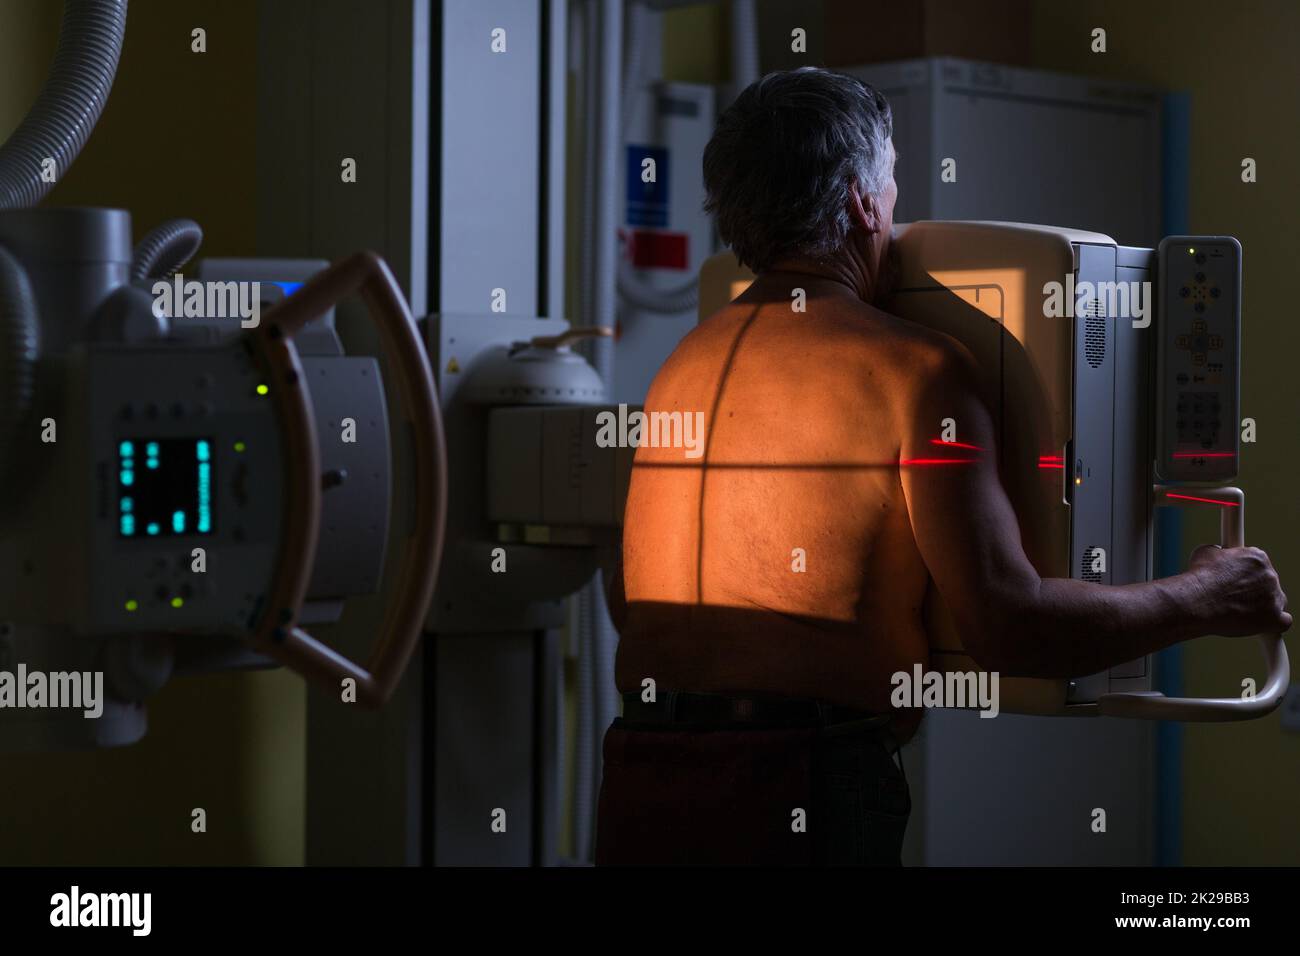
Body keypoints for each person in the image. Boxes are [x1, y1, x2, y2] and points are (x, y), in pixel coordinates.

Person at [594, 67, 1290, 866]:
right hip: (796, 787)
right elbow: (1012, 628)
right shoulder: (914, 370)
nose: (897, 212)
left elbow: (631, 600)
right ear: (861, 201)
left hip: (640, 776)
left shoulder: (682, 365)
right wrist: (1205, 595)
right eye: (892, 187)